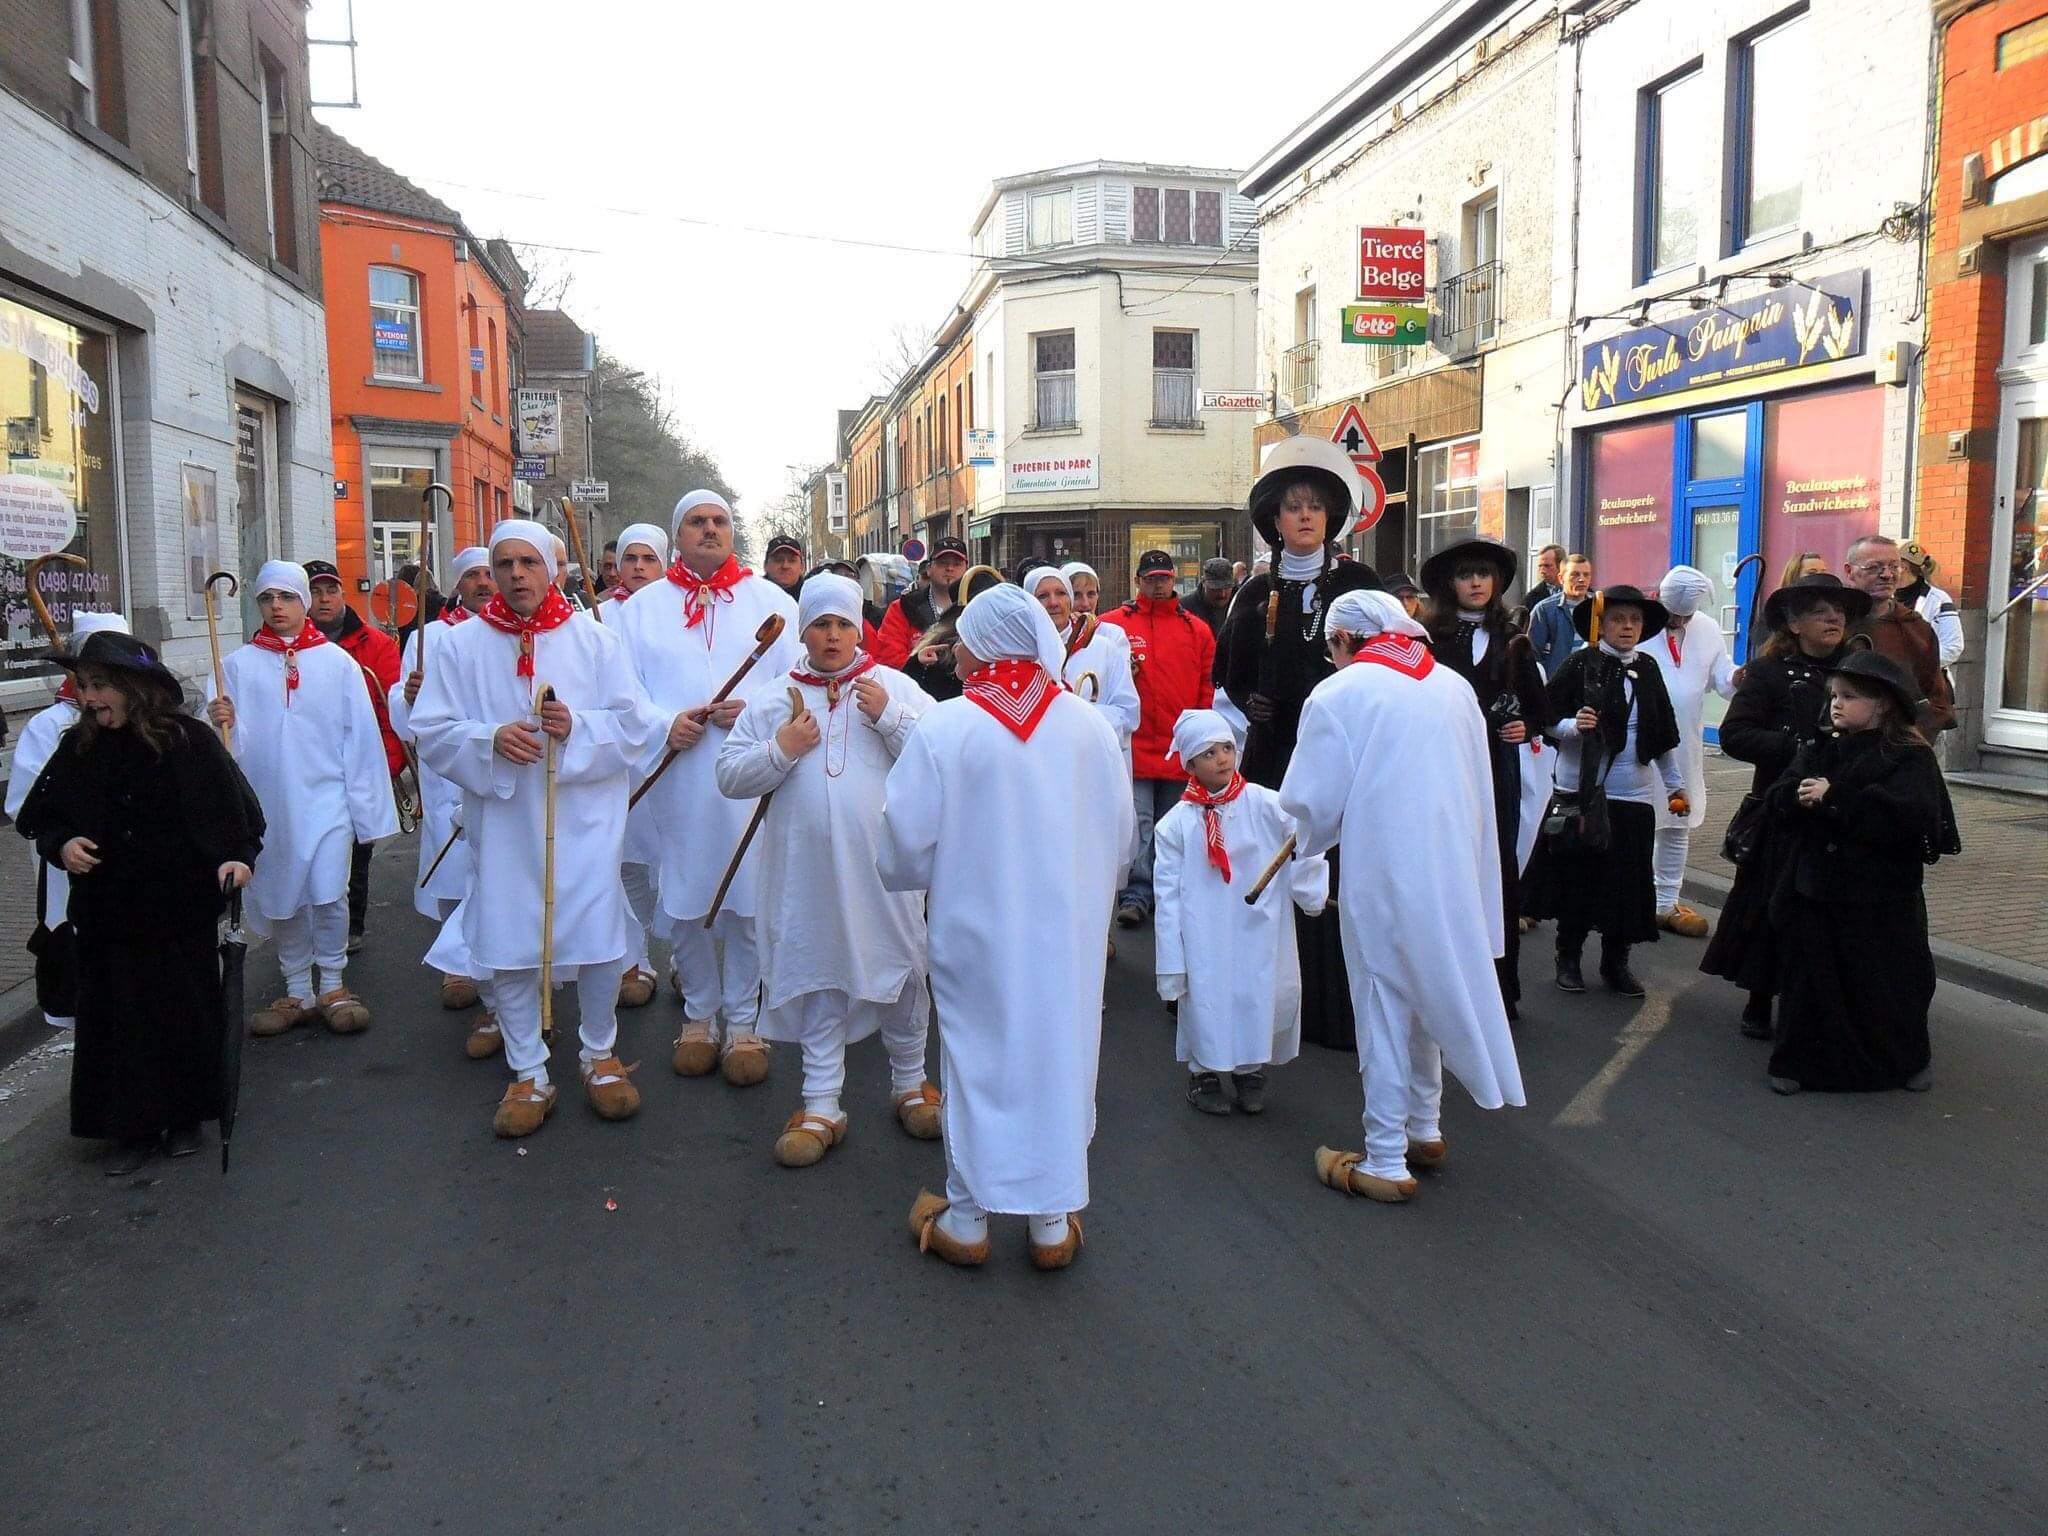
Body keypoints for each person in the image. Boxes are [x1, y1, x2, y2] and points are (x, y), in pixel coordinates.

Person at [880, 583, 1132, 1270]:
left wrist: (918, 876)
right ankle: (1052, 1221)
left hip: (975, 926)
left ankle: (967, 1218)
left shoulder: (946, 726)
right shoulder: (1089, 728)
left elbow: (901, 845)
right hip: (1069, 933)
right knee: (1061, 1055)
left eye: (960, 636)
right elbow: (1121, 842)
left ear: (986, 644)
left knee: (977, 1062)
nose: (952, 649)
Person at [412, 520, 664, 1137]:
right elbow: (433, 729)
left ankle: (600, 1054)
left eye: (529, 562)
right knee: (511, 936)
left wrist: (576, 726)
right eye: (505, 564)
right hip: (502, 820)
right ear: (490, 573)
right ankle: (528, 1069)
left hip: (583, 819)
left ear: (552, 569)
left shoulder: (596, 642)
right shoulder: (457, 646)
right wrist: (488, 738)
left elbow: (635, 726)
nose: (518, 574)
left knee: (599, 933)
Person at [1280, 589, 1523, 1204]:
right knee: (1426, 985)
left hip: (1386, 869)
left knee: (1385, 996)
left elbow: (1310, 803)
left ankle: (1386, 1156)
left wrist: (1302, 848)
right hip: (1456, 865)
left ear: (1341, 640)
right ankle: (1425, 1124)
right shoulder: (1452, 685)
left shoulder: (1340, 693)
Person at [15, 632, 263, 1173]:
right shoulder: (77, 747)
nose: (89, 697)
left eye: (100, 685)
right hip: (106, 913)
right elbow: (41, 817)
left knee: (179, 1013)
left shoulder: (188, 742)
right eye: (83, 686)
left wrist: (236, 858)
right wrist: (63, 844)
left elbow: (240, 817)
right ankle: (130, 1125)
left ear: (135, 687)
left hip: (176, 911)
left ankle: (181, 1118)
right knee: (117, 1018)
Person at [715, 573, 939, 1167]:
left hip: (884, 873)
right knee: (818, 973)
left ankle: (910, 1083)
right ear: (803, 630)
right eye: (820, 624)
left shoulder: (894, 688)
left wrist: (892, 719)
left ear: (858, 626)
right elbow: (729, 775)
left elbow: (944, 762)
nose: (833, 636)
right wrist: (782, 748)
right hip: (804, 873)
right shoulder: (773, 700)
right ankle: (821, 1102)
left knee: (901, 969)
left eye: (843, 623)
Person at [613, 489, 800, 1085]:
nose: (710, 530)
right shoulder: (642, 610)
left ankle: (745, 1021)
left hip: (752, 770)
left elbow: (798, 682)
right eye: (697, 522)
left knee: (747, 897)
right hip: (680, 771)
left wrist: (754, 710)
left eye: (719, 521)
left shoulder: (769, 602)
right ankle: (699, 1014)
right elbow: (622, 692)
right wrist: (663, 724)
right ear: (679, 535)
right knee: (687, 896)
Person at [1215, 435, 1378, 1051]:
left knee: (1335, 871)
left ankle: (1336, 1006)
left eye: (1315, 506)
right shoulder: (1255, 591)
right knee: (1272, 864)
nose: (1305, 516)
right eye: (1292, 506)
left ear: (1331, 517)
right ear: (1274, 519)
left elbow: (1390, 659)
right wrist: (1249, 698)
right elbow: (1229, 665)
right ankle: (1271, 998)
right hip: (1275, 753)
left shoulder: (1360, 584)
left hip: (1343, 757)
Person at [206, 561, 397, 1036]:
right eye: (267, 599)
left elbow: (361, 738)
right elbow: (229, 747)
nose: (276, 607)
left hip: (326, 800)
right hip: (269, 806)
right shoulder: (234, 666)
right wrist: (219, 719)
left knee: (329, 889)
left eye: (286, 598)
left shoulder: (337, 663)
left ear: (304, 603)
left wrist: (367, 808)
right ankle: (297, 987)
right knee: (283, 896)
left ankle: (332, 981)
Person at [1764, 651, 1958, 1096]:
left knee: (1889, 984)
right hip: (1818, 890)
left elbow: (1910, 819)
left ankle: (1904, 1063)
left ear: (1883, 704)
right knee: (1812, 982)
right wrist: (1798, 797)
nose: (1836, 705)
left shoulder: (1909, 757)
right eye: (1834, 695)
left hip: (1881, 899)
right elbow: (1778, 801)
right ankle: (1800, 1064)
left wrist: (1836, 799)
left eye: (1849, 697)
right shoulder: (1819, 748)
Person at [1702, 573, 1870, 1038]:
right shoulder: (1769, 672)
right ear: (1794, 624)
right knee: (1771, 907)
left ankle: (1825, 1000)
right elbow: (1735, 734)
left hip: (1839, 813)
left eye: (1837, 611)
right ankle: (1760, 997)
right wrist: (1796, 748)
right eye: (1820, 611)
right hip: (1781, 811)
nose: (1833, 618)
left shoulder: (1860, 671)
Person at [1154, 708, 1327, 1116]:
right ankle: (1204, 1072)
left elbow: (1307, 833)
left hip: (1258, 924)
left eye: (1228, 747)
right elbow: (1168, 897)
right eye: (1210, 752)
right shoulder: (1175, 826)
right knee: (1207, 994)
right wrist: (1171, 963)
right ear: (1191, 764)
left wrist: (1307, 885)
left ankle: (1250, 1068)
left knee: (1256, 990)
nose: (1222, 759)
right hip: (1204, 929)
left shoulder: (1268, 804)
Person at [1523, 586, 1687, 997]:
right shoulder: (1580, 665)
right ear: (1600, 625)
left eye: (1634, 620)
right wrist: (1571, 726)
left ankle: (1617, 962)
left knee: (1627, 885)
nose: (1627, 626)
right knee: (1580, 881)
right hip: (1582, 792)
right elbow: (1544, 719)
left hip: (1633, 796)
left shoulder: (1647, 670)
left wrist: (1675, 788)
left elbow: (1662, 735)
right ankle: (1569, 957)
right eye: (1617, 619)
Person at [1420, 537, 1549, 1019]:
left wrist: (1527, 727)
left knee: (1496, 868)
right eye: (1465, 575)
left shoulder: (1513, 639)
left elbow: (1540, 709)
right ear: (1448, 585)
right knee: (1446, 868)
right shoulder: (1427, 639)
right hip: (1444, 764)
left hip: (1496, 766)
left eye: (1484, 574)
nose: (1476, 582)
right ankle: (1445, 986)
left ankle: (1499, 987)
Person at [388, 545, 500, 1046]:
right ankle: (457, 964)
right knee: (452, 869)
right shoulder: (428, 638)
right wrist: (410, 698)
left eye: (487, 573)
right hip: (446, 775)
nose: (482, 582)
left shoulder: (515, 634)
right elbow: (399, 703)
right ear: (458, 584)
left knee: (499, 875)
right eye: (472, 575)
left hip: (499, 768)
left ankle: (501, 972)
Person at [6, 611, 131, 1030]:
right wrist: (64, 837)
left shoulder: (151, 724)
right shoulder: (49, 727)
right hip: (76, 868)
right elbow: (27, 803)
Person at [1102, 550, 1219, 928]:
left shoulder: (1196, 629)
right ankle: (1136, 894)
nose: (1158, 584)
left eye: (1164, 578)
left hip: (1177, 747)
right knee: (1139, 823)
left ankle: (1169, 893)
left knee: (1172, 825)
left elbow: (1206, 685)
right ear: (1137, 580)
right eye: (1150, 578)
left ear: (1174, 581)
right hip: (1134, 747)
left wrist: (1199, 738)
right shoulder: (1112, 627)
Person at [306, 559, 403, 956]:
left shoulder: (376, 645)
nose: (323, 599)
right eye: (315, 591)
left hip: (360, 764)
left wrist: (387, 766)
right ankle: (308, 927)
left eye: (330, 590)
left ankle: (351, 926)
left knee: (354, 852)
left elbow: (389, 712)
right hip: (312, 767)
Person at [602, 520, 673, 1008]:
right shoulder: (596, 616)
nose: (640, 568)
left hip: (671, 750)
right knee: (625, 863)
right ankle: (636, 959)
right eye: (632, 559)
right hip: (621, 758)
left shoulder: (677, 611)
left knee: (673, 865)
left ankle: (688, 964)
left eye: (650, 559)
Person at [1649, 566, 1739, 939]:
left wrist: (1741, 678)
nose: (1677, 622)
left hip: (1684, 745)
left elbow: (1723, 678)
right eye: (1672, 614)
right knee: (1636, 821)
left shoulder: (1706, 628)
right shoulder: (1640, 623)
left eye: (1684, 616)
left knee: (1676, 821)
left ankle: (1666, 901)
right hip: (1639, 745)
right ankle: (1632, 896)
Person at [1842, 535, 1956, 735]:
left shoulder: (1916, 628)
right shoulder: (1836, 623)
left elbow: (1936, 698)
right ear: (1850, 572)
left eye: (1894, 567)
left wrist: (1911, 741)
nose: (1887, 575)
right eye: (1874, 567)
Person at [1025, 564, 1139, 753]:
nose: (1053, 602)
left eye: (1061, 593)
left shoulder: (1104, 648)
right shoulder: (1022, 653)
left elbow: (1127, 712)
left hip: (1092, 756)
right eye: (1042, 596)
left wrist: (1076, 721)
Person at [873, 536, 966, 667]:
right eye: (942, 563)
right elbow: (889, 658)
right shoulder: (904, 607)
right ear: (929, 569)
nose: (950, 568)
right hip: (912, 684)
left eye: (957, 564)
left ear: (966, 569)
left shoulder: (976, 607)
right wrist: (918, 665)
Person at [1898, 539, 1965, 672]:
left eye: (1892, 565)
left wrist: (1913, 662)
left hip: (1926, 682)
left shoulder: (1939, 599)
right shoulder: (1884, 596)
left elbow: (1953, 647)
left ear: (1903, 567)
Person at [1527, 553, 1593, 678]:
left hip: (1591, 684)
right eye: (1575, 575)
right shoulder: (1545, 609)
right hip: (1558, 684)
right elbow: (1532, 653)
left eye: (1586, 575)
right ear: (1561, 578)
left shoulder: (1599, 607)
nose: (1581, 579)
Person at [1183, 557, 1239, 638]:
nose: (1222, 594)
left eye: (1227, 587)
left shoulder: (1242, 607)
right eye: (1216, 588)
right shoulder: (1185, 609)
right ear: (1203, 582)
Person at [763, 534, 806, 602]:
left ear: (802, 567)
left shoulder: (812, 597)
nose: (785, 566)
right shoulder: (753, 597)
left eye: (792, 560)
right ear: (765, 566)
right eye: (778, 560)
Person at [1522, 544, 1565, 610]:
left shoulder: (1579, 591)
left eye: (1547, 566)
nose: (1542, 571)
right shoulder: (1531, 598)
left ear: (1560, 565)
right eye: (1540, 566)